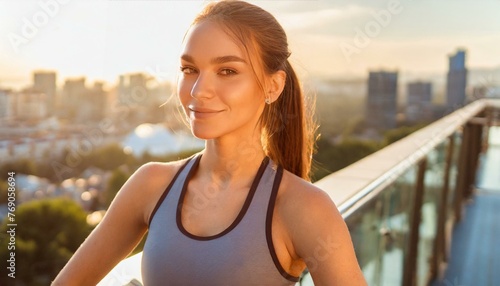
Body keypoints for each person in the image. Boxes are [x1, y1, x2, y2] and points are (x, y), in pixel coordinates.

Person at [53, 1, 367, 285]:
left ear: (273, 86)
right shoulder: (150, 185)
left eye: (227, 71)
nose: (199, 90)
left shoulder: (305, 208)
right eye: (189, 69)